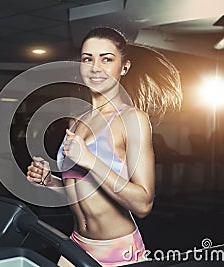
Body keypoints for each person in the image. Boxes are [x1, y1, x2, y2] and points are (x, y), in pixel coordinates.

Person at [26, 27, 182, 266]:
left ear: (124, 67)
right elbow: (80, 191)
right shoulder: (76, 120)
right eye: (87, 58)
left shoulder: (132, 119)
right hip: (76, 245)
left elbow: (143, 204)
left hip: (117, 251)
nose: (95, 67)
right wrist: (50, 181)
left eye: (106, 59)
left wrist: (90, 160)